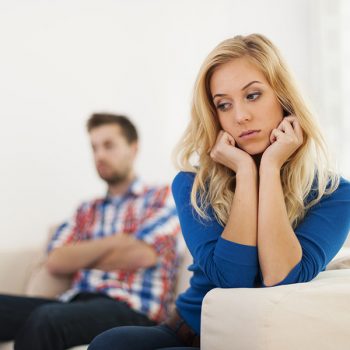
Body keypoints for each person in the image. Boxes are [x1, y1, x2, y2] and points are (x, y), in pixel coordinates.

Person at [87, 34, 350, 350]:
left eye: (252, 96)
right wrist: (244, 170)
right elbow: (231, 277)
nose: (240, 116)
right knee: (108, 344)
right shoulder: (192, 184)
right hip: (186, 329)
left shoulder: (335, 195)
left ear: (283, 98)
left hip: (245, 341)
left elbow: (280, 276)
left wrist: (268, 169)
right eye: (224, 104)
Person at [0, 113, 182, 350]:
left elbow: (142, 255)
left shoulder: (161, 196)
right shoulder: (86, 210)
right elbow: (56, 261)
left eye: (108, 145)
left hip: (132, 309)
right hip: (75, 302)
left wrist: (84, 255)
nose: (100, 155)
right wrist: (120, 241)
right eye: (94, 148)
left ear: (133, 149)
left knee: (46, 319)